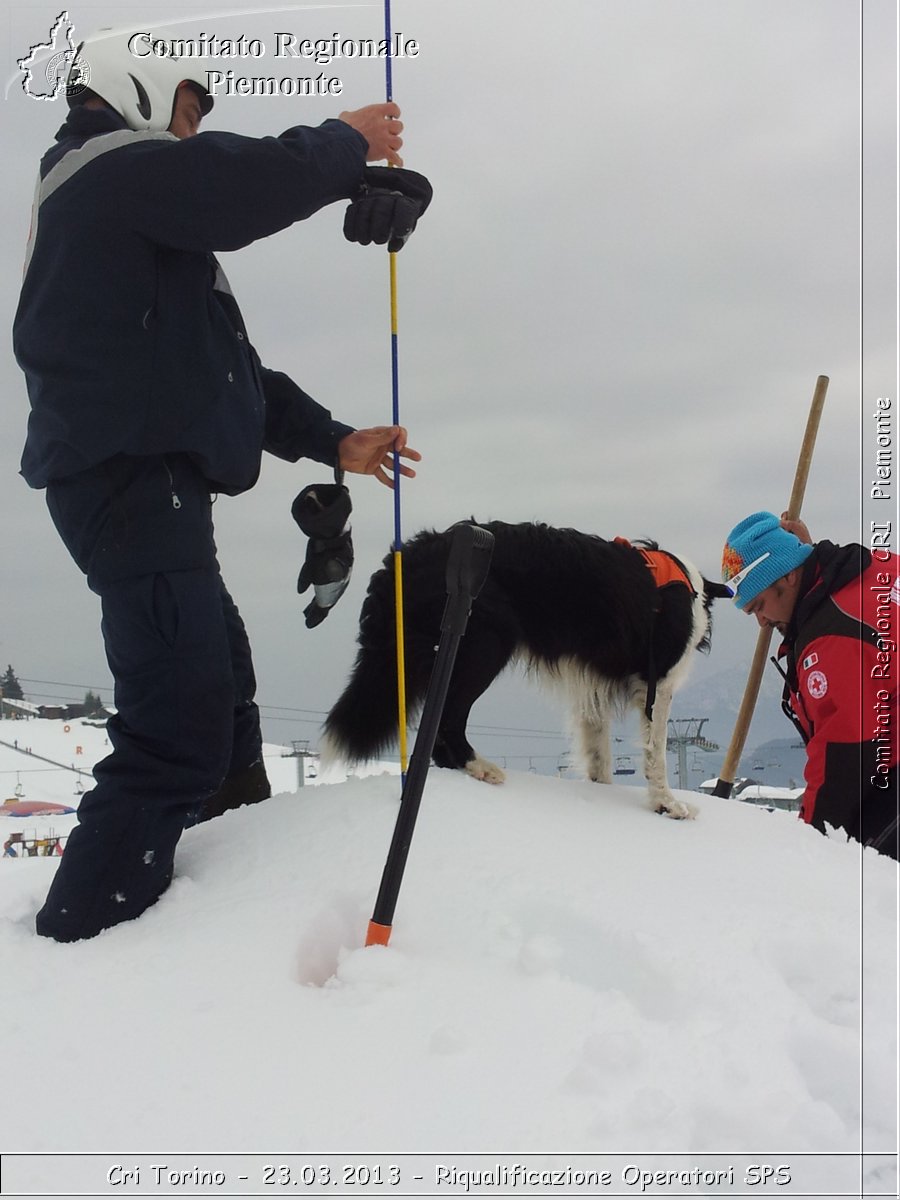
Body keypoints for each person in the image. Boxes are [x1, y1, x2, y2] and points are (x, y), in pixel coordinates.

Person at [13, 27, 432, 942]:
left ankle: (224, 904)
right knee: (178, 726)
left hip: (150, 487)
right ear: (136, 94)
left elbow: (228, 377)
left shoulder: (138, 236)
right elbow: (234, 188)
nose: (193, 135)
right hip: (130, 484)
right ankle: (86, 938)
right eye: (190, 112)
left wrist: (335, 442)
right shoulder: (101, 167)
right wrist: (346, 139)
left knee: (223, 694)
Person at [722, 511, 898, 860]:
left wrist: (811, 844)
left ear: (788, 576)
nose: (762, 622)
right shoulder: (872, 567)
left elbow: (844, 757)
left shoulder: (834, 639)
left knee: (866, 872)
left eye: (759, 606)